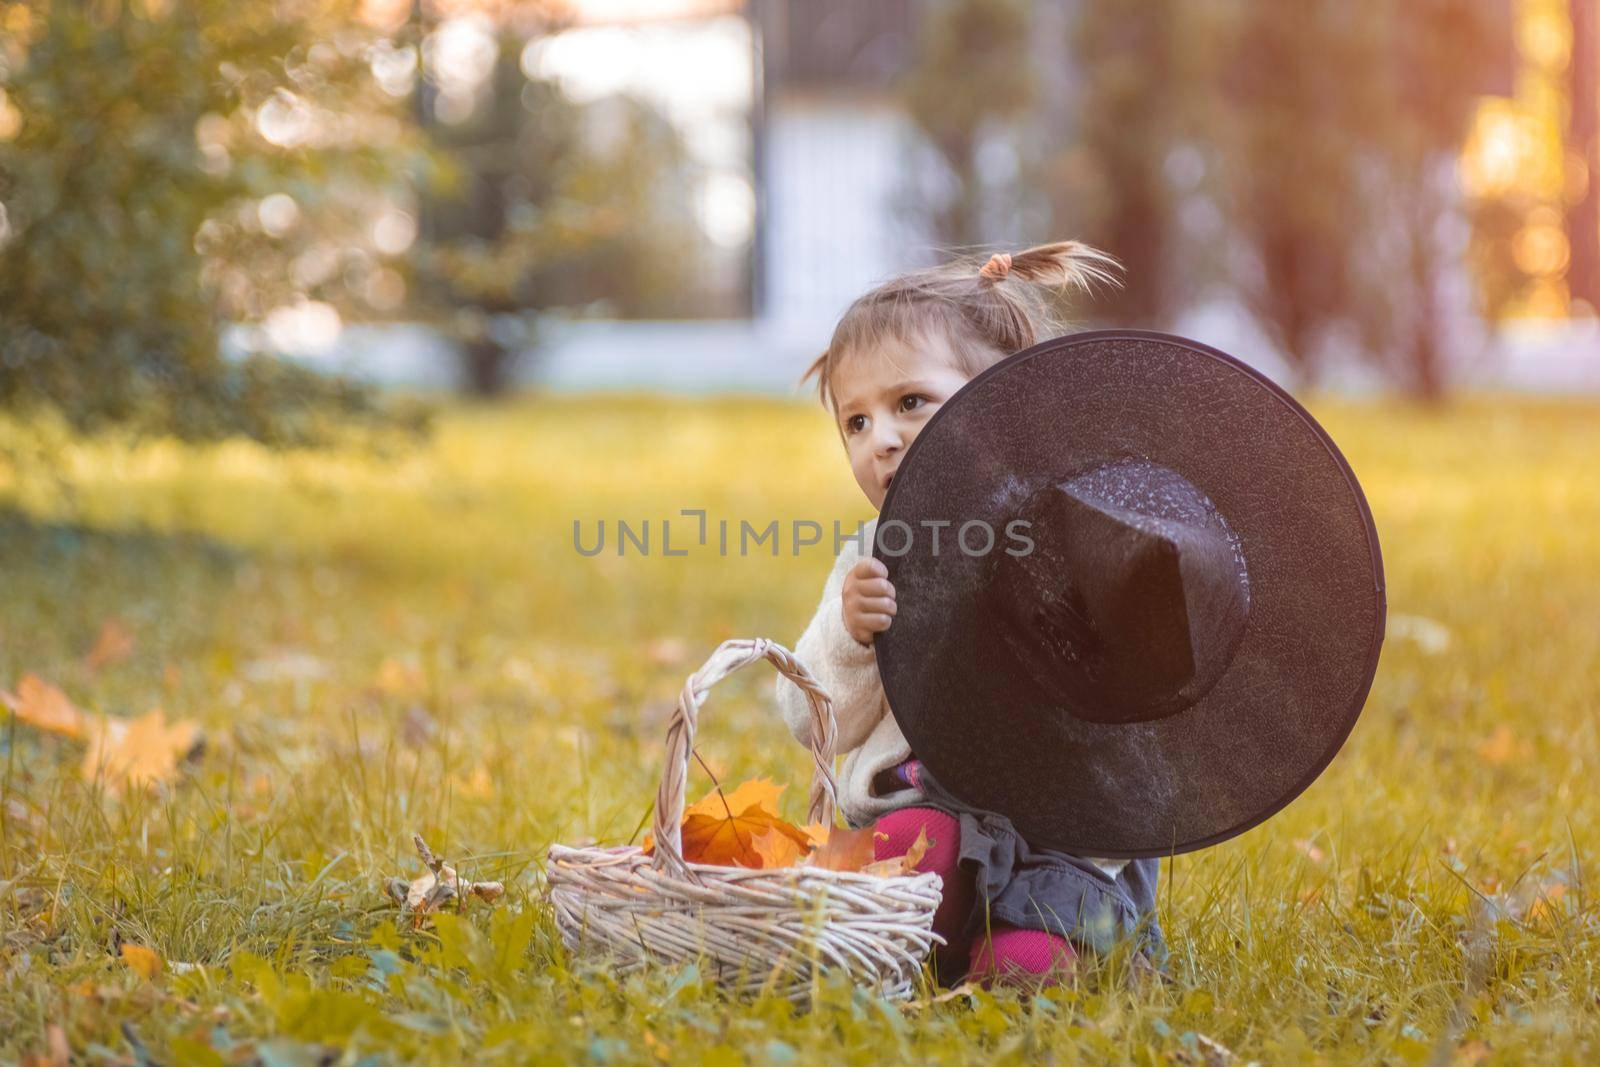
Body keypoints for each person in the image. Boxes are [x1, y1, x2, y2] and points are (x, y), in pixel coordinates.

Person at [773, 240, 1166, 989]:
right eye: (854, 423)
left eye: (908, 403)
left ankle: (1016, 954)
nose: (879, 440)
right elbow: (806, 713)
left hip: (1056, 843)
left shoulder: (1068, 538)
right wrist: (852, 637)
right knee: (917, 840)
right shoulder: (871, 561)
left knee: (1031, 955)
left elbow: (1130, 703)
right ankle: (911, 941)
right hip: (929, 822)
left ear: (1002, 405)